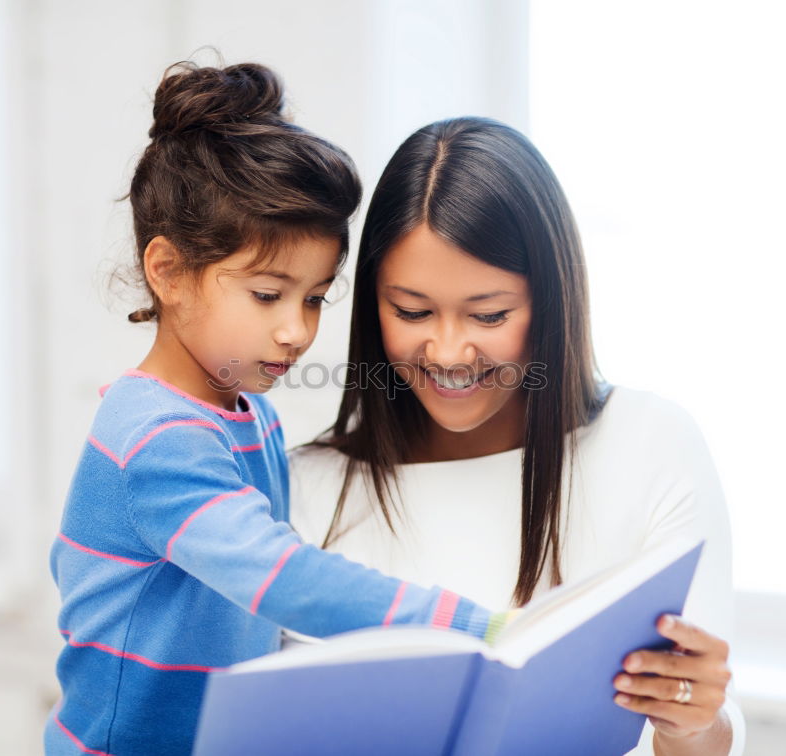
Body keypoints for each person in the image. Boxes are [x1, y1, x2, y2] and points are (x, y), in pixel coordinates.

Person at [45, 66, 513, 756]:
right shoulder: (155, 437)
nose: (296, 330)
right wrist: (477, 629)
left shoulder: (246, 415)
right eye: (268, 294)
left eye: (316, 297)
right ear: (168, 271)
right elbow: (282, 579)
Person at [289, 117, 745, 755]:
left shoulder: (650, 446)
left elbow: (694, 732)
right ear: (372, 303)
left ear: (552, 302)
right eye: (412, 311)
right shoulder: (304, 489)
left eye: (489, 314)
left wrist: (695, 724)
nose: (448, 351)